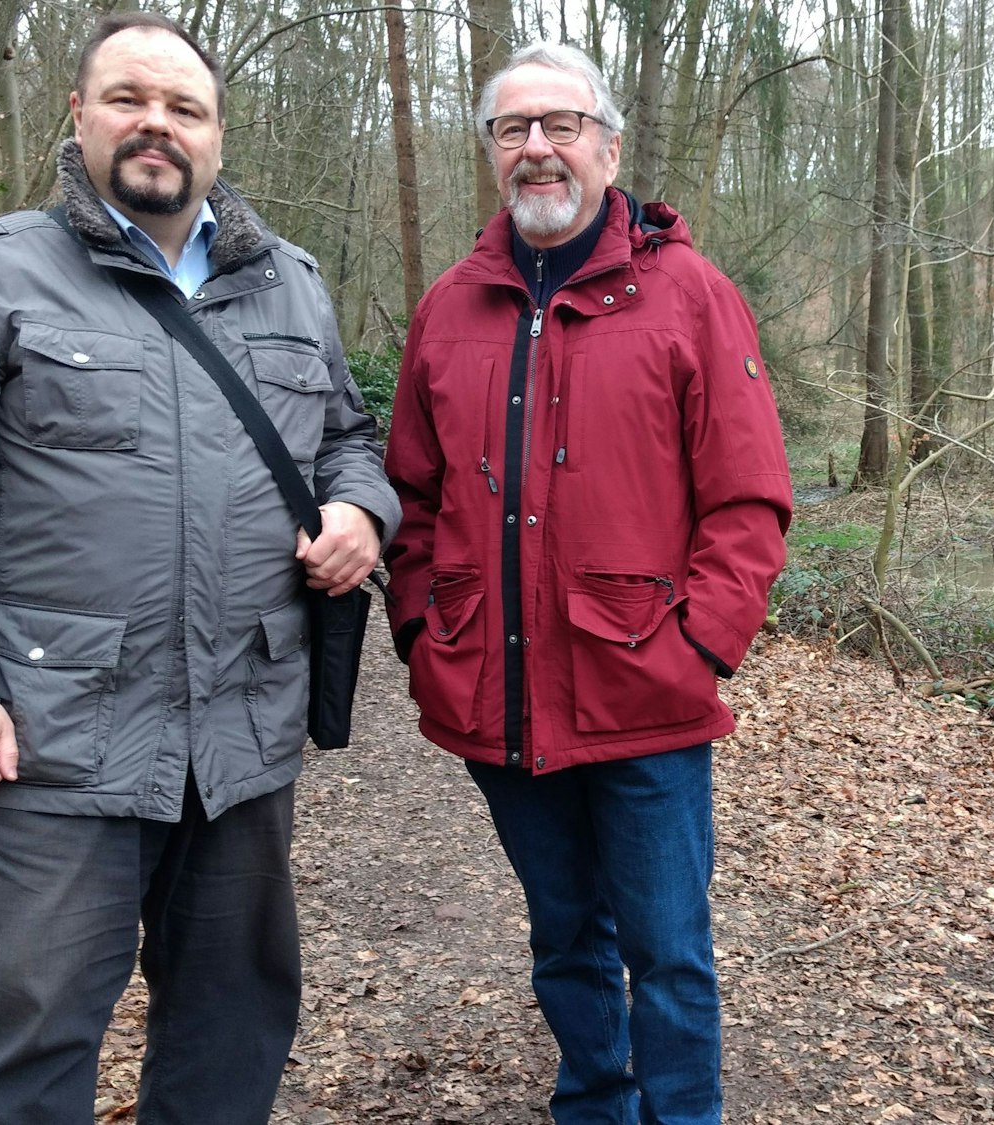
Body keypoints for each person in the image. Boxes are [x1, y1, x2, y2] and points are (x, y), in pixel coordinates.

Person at [0, 12, 398, 1122]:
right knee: (27, 1042)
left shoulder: (289, 282)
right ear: (78, 115)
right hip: (53, 740)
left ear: (217, 134)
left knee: (233, 1026)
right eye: (127, 100)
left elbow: (347, 437)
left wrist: (362, 506)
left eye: (183, 108)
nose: (155, 125)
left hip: (244, 736)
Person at [383, 40, 792, 1125]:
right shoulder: (450, 308)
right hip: (496, 695)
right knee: (564, 939)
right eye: (512, 130)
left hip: (644, 695)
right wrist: (425, 631)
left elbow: (748, 503)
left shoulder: (688, 296)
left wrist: (695, 648)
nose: (536, 149)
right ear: (489, 154)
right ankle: (594, 1106)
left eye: (559, 125)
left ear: (606, 146)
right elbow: (408, 502)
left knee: (667, 954)